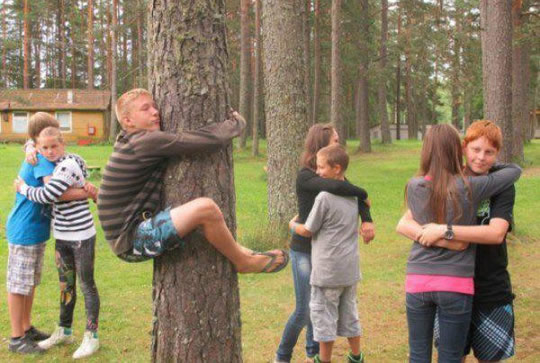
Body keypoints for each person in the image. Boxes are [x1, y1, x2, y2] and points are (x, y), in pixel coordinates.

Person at [96, 88, 288, 273]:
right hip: (132, 240)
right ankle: (243, 262)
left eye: (154, 106)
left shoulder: (130, 142)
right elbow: (200, 140)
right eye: (145, 109)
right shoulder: (143, 142)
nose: (155, 112)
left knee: (203, 211)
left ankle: (245, 252)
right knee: (206, 208)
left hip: (130, 237)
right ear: (128, 121)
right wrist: (236, 123)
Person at [395, 124, 521, 363]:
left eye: (489, 153)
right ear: (463, 147)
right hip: (452, 285)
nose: (481, 158)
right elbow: (404, 224)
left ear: (497, 154)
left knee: (489, 357)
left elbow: (496, 233)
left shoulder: (501, 187)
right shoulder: (446, 181)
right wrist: (441, 238)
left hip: (490, 288)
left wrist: (446, 231)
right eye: (475, 149)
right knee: (454, 356)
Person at [274, 124, 374, 363]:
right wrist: (363, 191)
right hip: (305, 250)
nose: (338, 144)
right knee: (305, 310)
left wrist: (367, 219)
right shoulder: (308, 176)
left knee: (317, 310)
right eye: (334, 140)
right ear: (321, 143)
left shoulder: (332, 173)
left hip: (327, 253)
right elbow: (340, 188)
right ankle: (282, 357)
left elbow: (347, 192)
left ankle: (313, 355)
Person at [6, 113, 93, 355]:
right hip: (25, 229)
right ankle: (16, 337)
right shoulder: (41, 161)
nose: (51, 145)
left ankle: (26, 328)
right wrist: (89, 192)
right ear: (36, 141)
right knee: (19, 284)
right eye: (44, 141)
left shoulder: (42, 154)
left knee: (30, 282)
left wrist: (29, 146)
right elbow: (55, 193)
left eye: (55, 138)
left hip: (36, 230)